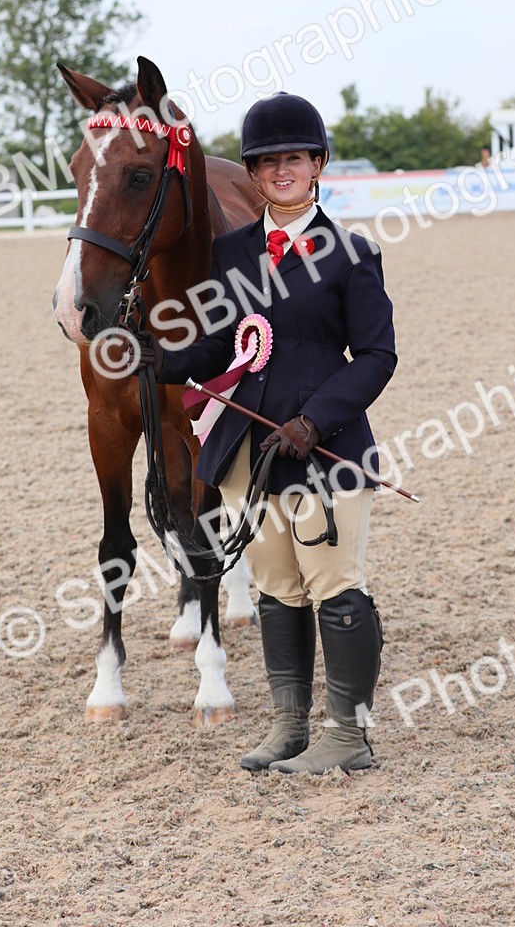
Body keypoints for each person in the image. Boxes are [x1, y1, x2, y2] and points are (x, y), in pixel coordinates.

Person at [138, 92, 397, 773]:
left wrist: (317, 419)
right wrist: (158, 355)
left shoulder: (351, 254)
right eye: (267, 160)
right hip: (250, 452)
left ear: (317, 165)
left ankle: (349, 735)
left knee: (335, 584)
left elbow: (377, 356)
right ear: (252, 172)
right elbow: (220, 347)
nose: (281, 169)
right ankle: (290, 726)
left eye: (294, 158)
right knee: (278, 588)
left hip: (326, 449)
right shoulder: (231, 253)